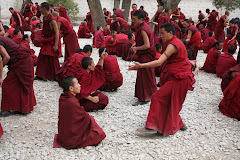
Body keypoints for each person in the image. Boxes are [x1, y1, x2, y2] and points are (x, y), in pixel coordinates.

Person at [129, 23, 195, 136]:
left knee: (157, 97)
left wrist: (141, 66)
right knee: (169, 100)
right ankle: (180, 123)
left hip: (181, 78)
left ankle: (153, 125)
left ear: (170, 33)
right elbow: (182, 59)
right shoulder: (177, 42)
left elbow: (160, 62)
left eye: (163, 33)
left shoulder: (173, 45)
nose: (161, 36)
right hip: (179, 76)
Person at [55, 76, 106, 149]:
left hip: (63, 135)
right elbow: (83, 118)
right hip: (70, 138)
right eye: (77, 83)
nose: (80, 85)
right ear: (71, 88)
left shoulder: (63, 97)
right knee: (97, 135)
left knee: (92, 123)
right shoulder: (72, 102)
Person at [0, 36, 36, 117]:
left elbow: (6, 58)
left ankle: (7, 109)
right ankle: (23, 107)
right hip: (23, 59)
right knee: (19, 82)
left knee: (7, 83)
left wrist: (1, 70)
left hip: (22, 61)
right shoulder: (2, 37)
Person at [130, 10, 157, 106]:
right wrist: (135, 43)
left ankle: (144, 98)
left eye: (135, 19)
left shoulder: (142, 29)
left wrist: (136, 48)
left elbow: (147, 45)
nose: (133, 21)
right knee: (148, 74)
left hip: (147, 54)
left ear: (141, 19)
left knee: (144, 75)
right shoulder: (142, 26)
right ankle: (151, 94)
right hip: (146, 54)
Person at [35, 2, 61, 81]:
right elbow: (45, 28)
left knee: (52, 58)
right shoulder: (45, 17)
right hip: (45, 40)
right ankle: (40, 75)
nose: (40, 11)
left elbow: (57, 32)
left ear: (45, 9)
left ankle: (55, 75)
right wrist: (40, 30)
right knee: (42, 57)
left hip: (51, 40)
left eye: (41, 9)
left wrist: (56, 45)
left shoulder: (52, 20)